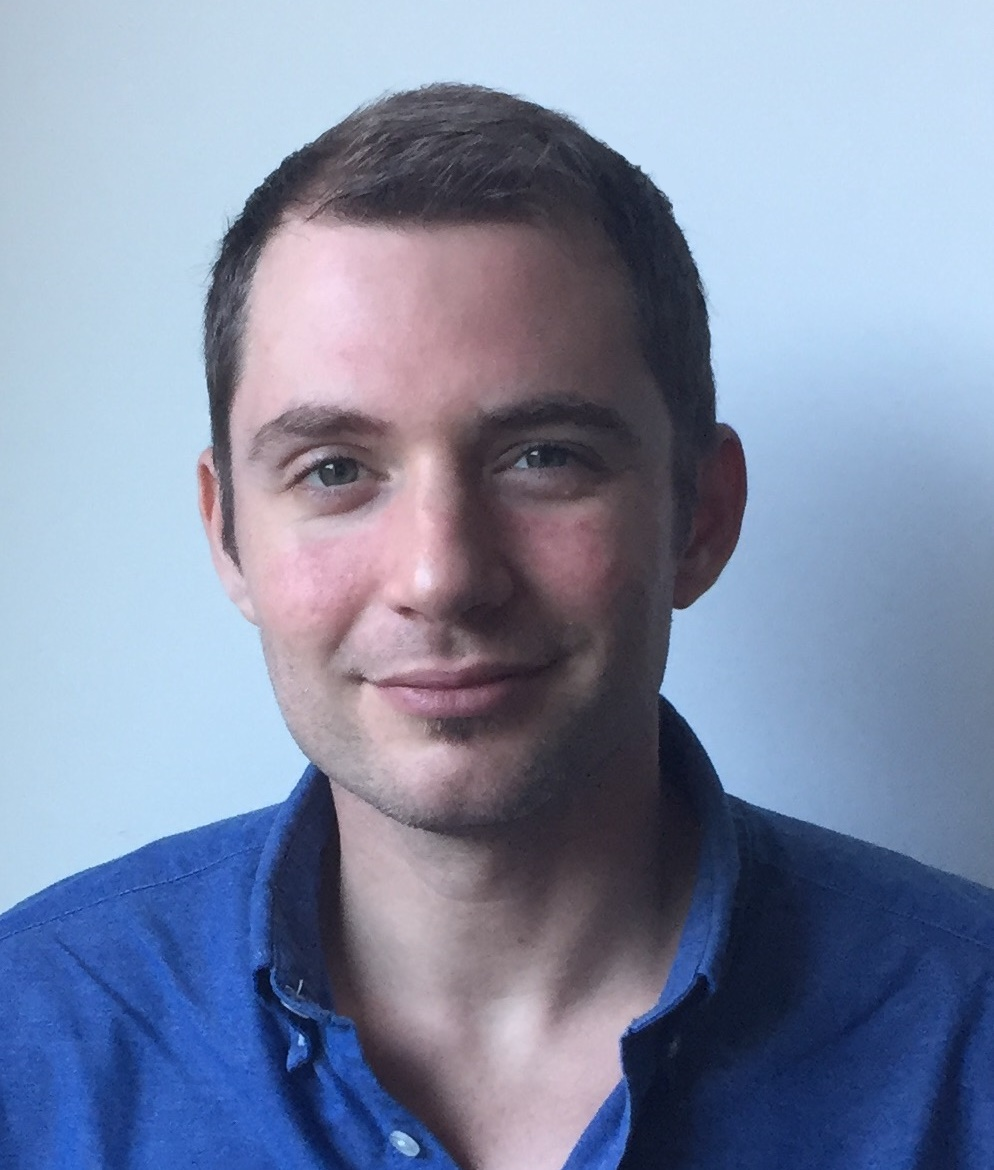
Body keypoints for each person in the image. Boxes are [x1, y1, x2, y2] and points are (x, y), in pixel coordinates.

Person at [0, 83, 991, 1170]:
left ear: (700, 517)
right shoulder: (30, 1036)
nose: (441, 577)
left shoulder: (969, 1037)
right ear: (227, 534)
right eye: (333, 470)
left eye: (543, 457)